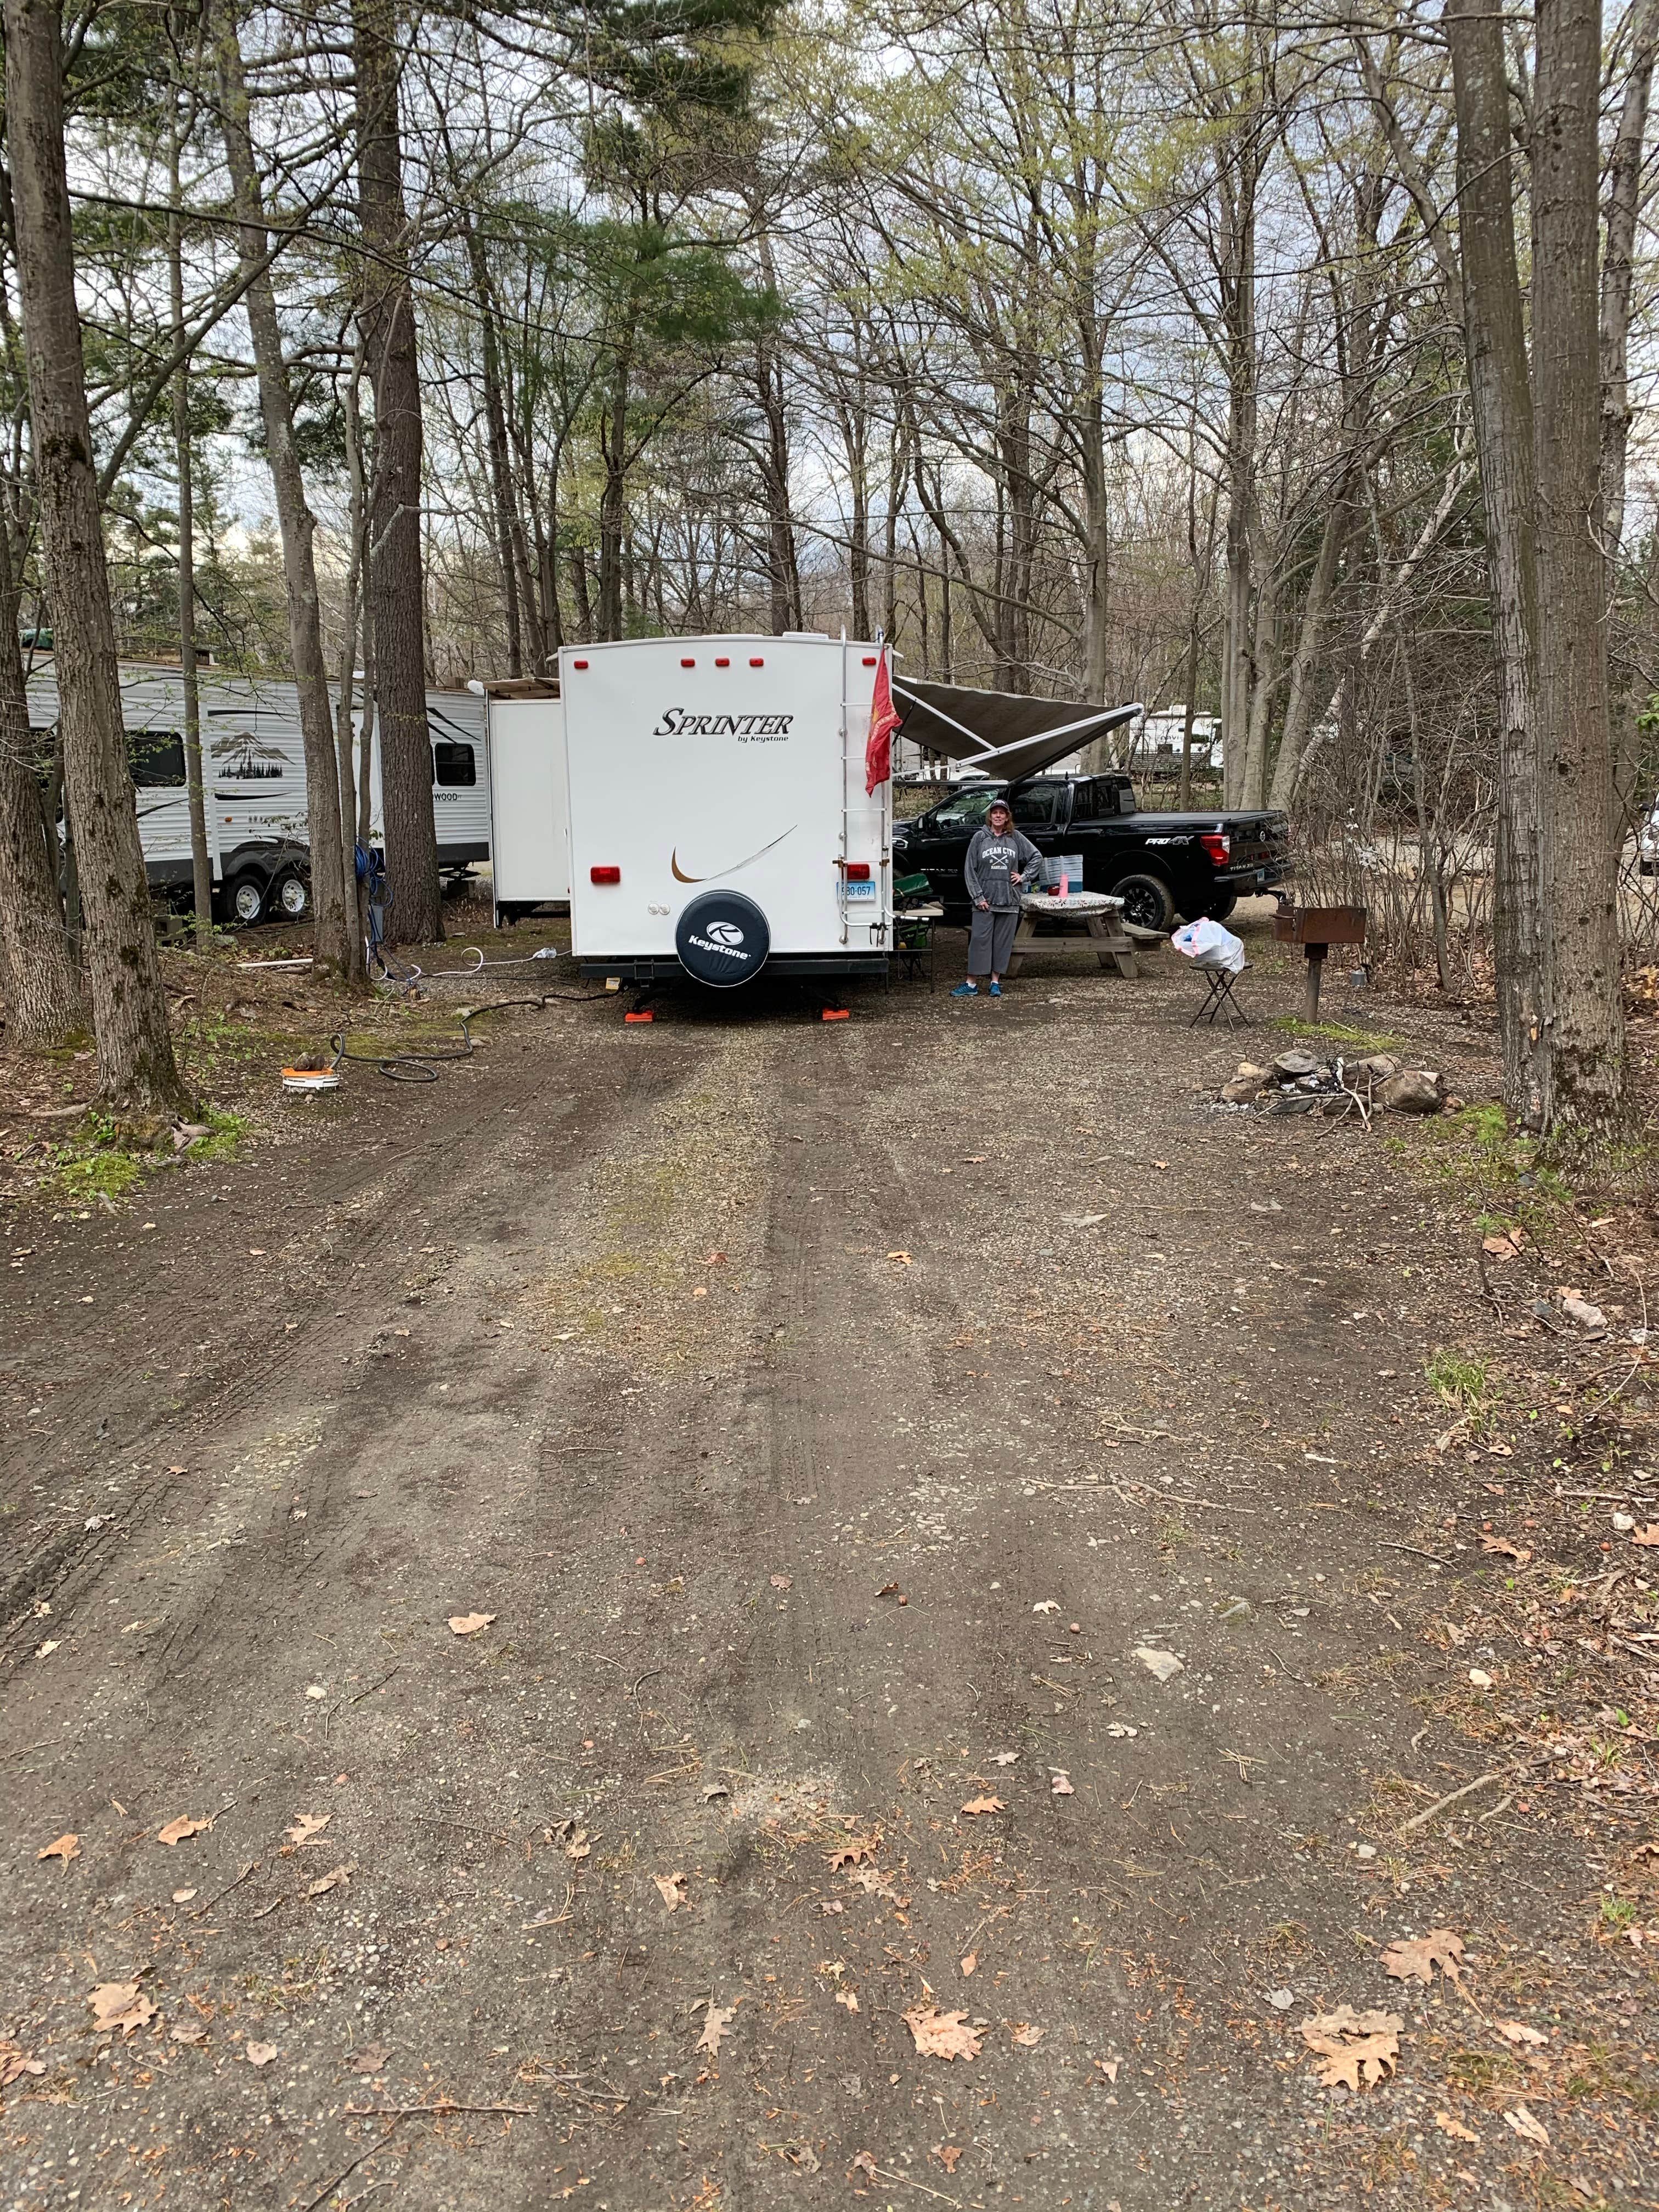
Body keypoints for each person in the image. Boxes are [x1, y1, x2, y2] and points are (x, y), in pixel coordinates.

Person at [953, 795, 1042, 998]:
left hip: (1009, 900)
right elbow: (970, 869)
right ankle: (971, 983)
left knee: (1002, 943)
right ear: (990, 816)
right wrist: (978, 897)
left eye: (1002, 813)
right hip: (985, 901)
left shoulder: (1016, 837)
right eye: (995, 813)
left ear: (1007, 817)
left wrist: (1024, 876)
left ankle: (995, 982)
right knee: (979, 940)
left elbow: (1036, 857)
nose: (998, 816)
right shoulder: (980, 838)